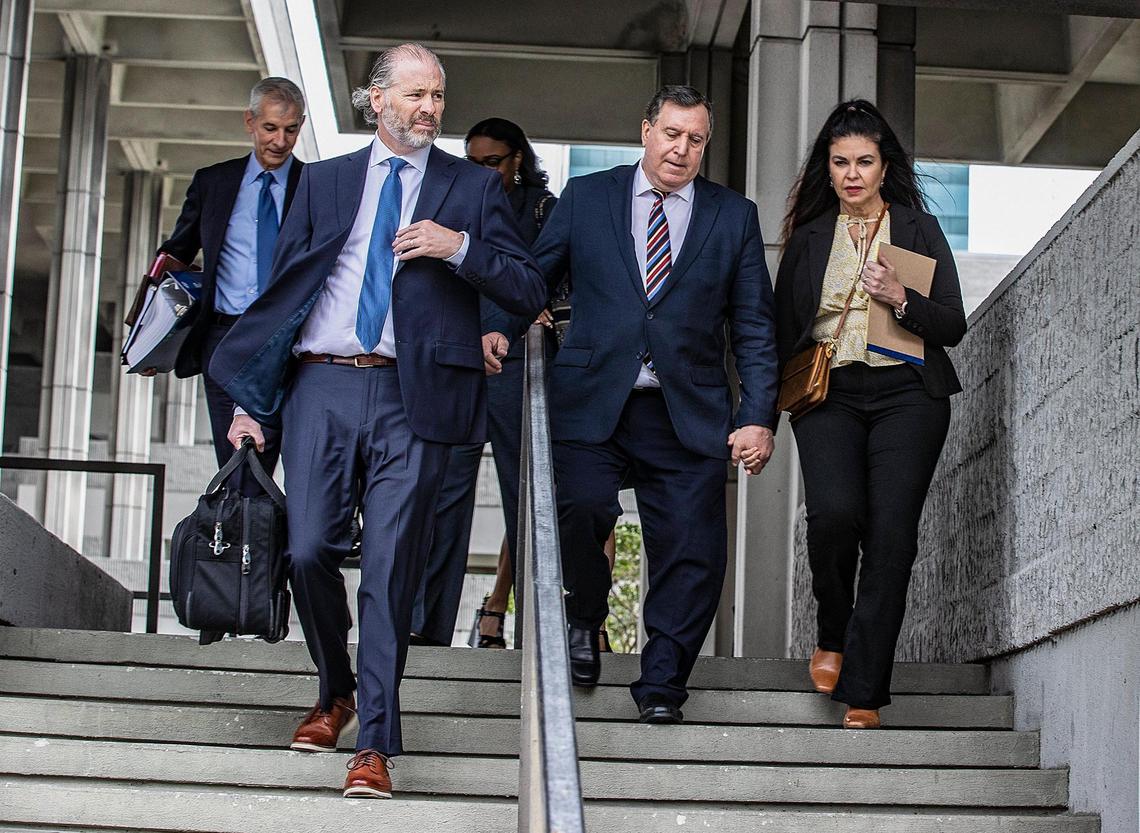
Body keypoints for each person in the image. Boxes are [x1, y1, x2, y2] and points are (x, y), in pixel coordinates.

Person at [210, 43, 544, 798]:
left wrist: (458, 247)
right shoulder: (323, 181)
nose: (430, 108)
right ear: (378, 99)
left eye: (438, 95)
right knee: (306, 551)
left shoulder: (469, 186)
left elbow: (527, 287)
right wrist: (251, 404)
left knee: (391, 569)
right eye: (416, 94)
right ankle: (336, 690)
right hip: (320, 385)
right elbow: (281, 297)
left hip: (413, 395)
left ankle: (376, 742)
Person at [525, 85, 779, 724]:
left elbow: (754, 325)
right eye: (671, 134)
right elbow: (534, 276)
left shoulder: (733, 216)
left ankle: (663, 682)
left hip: (685, 408)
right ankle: (584, 616)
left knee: (693, 551)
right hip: (593, 397)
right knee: (581, 509)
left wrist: (757, 416)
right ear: (646, 131)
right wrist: (502, 323)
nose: (681, 149)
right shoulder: (588, 196)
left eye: (696, 139)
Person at [769, 99, 966, 729]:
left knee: (891, 538)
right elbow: (778, 334)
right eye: (840, 162)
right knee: (833, 515)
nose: (852, 174)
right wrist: (759, 420)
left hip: (907, 394)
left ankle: (864, 691)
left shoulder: (917, 228)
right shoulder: (808, 239)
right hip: (829, 393)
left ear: (884, 167)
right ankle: (833, 630)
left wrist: (901, 298)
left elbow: (952, 323)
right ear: (826, 169)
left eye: (864, 162)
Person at [410, 117, 559, 648]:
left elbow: (544, 278)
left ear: (518, 160)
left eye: (492, 162)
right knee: (443, 499)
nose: (481, 171)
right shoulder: (452, 202)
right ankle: (428, 631)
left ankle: (532, 634)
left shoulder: (543, 209)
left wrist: (516, 319)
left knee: (528, 499)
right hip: (457, 363)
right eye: (472, 162)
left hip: (517, 366)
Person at [156, 77, 306, 484]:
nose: (280, 141)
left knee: (271, 460)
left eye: (290, 129)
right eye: (270, 128)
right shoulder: (214, 183)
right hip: (223, 339)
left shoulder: (314, 186)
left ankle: (257, 524)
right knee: (235, 465)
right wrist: (150, 341)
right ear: (250, 121)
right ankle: (240, 523)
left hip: (286, 345)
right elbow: (175, 256)